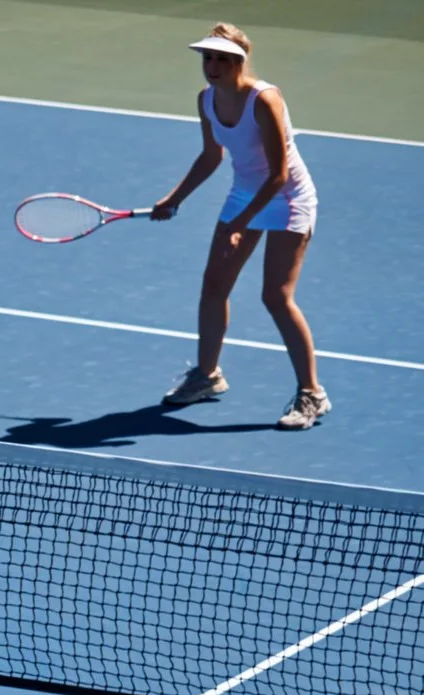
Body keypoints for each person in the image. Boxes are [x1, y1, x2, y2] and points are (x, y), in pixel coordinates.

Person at [150, 23, 326, 429]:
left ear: (240, 62)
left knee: (276, 296)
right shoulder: (207, 100)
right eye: (207, 58)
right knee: (214, 287)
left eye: (222, 59)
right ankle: (208, 376)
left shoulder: (264, 100)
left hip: (288, 198)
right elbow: (211, 157)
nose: (212, 66)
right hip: (245, 193)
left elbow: (279, 175)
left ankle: (312, 394)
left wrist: (240, 224)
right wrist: (174, 198)